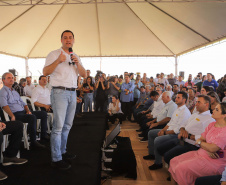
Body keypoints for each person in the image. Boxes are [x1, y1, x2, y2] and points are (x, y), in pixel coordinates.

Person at [43, 30, 86, 170]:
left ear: (74, 40)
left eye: (70, 38)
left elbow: (84, 74)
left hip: (73, 93)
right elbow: (45, 72)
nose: (68, 40)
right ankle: (56, 159)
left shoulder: (75, 56)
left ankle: (62, 151)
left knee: (67, 126)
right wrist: (58, 61)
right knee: (58, 127)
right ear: (61, 40)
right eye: (65, 37)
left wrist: (77, 63)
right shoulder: (54, 54)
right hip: (59, 92)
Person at [169, 102, 226, 185]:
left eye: (217, 109)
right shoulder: (212, 125)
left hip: (214, 161)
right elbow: (201, 139)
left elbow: (212, 148)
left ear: (224, 115)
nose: (213, 110)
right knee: (173, 161)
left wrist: (203, 144)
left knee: (181, 168)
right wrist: (206, 146)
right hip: (201, 153)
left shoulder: (224, 131)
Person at [143, 91, 191, 170]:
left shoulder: (185, 112)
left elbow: (177, 129)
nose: (176, 98)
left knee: (157, 140)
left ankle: (158, 163)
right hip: (168, 130)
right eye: (176, 97)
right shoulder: (177, 109)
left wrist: (165, 132)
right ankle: (152, 154)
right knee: (151, 133)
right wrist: (163, 130)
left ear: (184, 100)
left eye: (178, 97)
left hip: (175, 135)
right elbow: (170, 122)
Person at [0, 72, 48, 149]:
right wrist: (12, 115)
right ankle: (33, 141)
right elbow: (4, 105)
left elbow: (24, 103)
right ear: (3, 80)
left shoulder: (15, 92)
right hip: (16, 114)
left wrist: (28, 110)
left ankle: (44, 135)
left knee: (43, 113)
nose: (11, 79)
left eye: (12, 78)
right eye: (9, 78)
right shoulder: (3, 91)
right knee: (32, 117)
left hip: (23, 112)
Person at [163, 95, 215, 166]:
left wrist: (189, 136)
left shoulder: (210, 120)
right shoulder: (195, 114)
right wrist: (182, 130)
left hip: (192, 145)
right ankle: (173, 168)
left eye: (199, 102)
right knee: (162, 147)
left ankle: (175, 171)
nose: (196, 104)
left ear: (206, 104)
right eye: (196, 102)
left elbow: (206, 137)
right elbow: (183, 124)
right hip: (182, 139)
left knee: (167, 156)